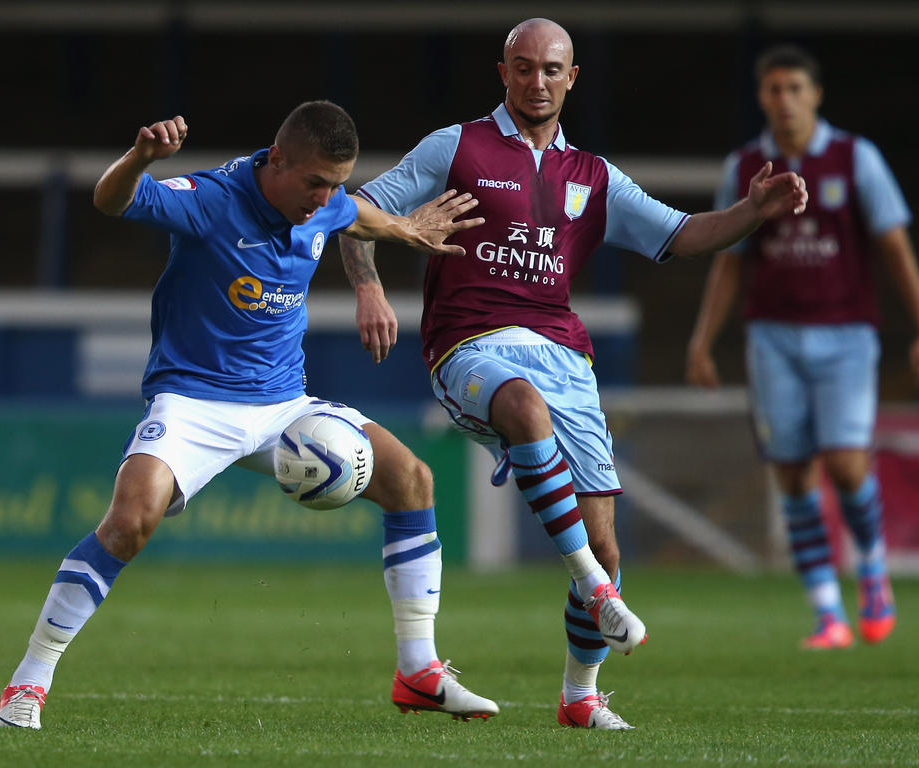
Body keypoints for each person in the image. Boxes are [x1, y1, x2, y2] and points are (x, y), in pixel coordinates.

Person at [339, 19, 808, 730]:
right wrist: (370, 289)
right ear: (503, 71)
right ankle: (593, 588)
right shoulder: (456, 146)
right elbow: (354, 210)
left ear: (572, 77)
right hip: (470, 344)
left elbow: (680, 234)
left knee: (608, 540)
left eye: (551, 70)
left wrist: (754, 210)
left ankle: (581, 698)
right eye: (523, 68)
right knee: (524, 410)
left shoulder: (592, 176)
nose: (537, 82)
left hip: (565, 355)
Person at [0, 101, 501, 730]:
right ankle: (29, 681)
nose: (324, 199)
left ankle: (419, 673)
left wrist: (405, 230)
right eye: (314, 182)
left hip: (283, 405)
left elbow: (355, 216)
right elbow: (111, 200)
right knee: (128, 522)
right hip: (194, 401)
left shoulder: (326, 203)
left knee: (413, 480)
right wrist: (140, 160)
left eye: (335, 183)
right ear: (278, 159)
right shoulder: (210, 199)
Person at [686, 45, 918, 650]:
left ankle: (870, 567)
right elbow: (728, 264)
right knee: (791, 473)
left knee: (844, 463)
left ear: (815, 95)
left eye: (795, 88)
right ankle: (826, 612)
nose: (784, 100)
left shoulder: (853, 158)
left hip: (847, 334)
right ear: (762, 98)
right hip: (773, 336)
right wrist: (702, 342)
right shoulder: (745, 167)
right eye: (773, 90)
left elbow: (894, 247)